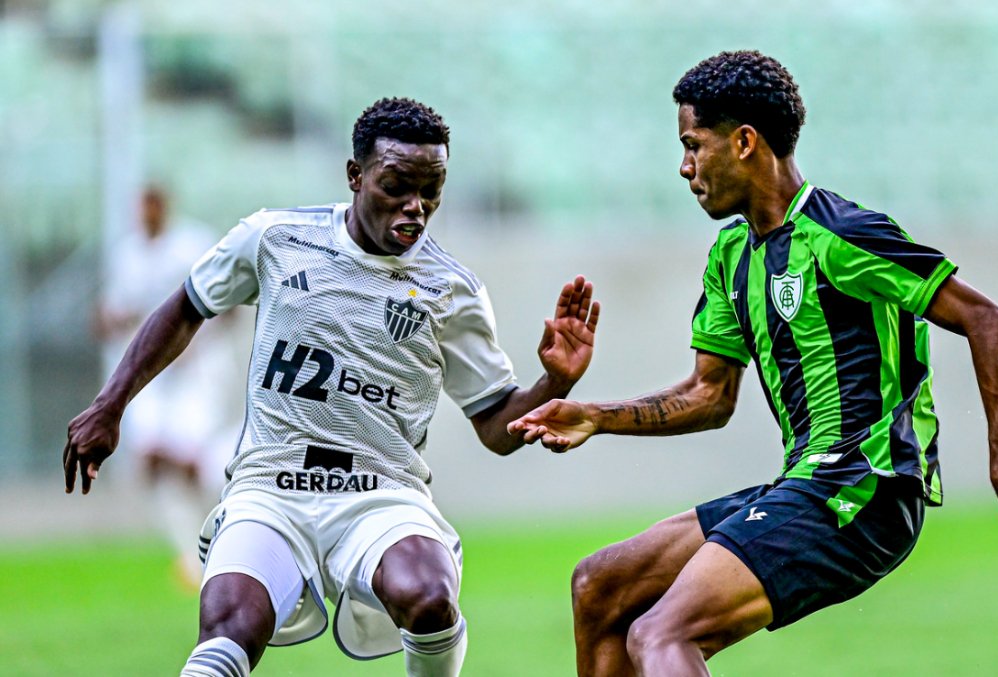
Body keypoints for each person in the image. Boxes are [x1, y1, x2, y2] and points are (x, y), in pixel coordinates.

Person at [508, 50, 998, 676]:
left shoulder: (841, 234)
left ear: (744, 142)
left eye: (693, 145)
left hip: (865, 487)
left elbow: (989, 321)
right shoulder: (732, 255)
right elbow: (710, 395)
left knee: (662, 633)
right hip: (805, 485)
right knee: (599, 585)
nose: (684, 167)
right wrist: (595, 415)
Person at [64, 97, 600, 677]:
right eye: (396, 185)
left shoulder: (452, 289)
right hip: (271, 488)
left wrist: (554, 381)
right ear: (355, 175)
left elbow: (496, 424)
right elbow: (186, 307)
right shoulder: (274, 238)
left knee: (429, 597)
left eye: (432, 190)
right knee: (227, 627)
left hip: (381, 494)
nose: (416, 206)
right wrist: (110, 405)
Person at [95, 185, 244, 588]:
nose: (147, 215)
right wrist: (112, 322)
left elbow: (230, 305)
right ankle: (192, 555)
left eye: (153, 207)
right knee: (150, 461)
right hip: (153, 377)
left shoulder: (192, 244)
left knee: (192, 460)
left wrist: (194, 342)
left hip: (200, 370)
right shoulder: (127, 255)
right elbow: (115, 313)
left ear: (165, 208)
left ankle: (229, 540)